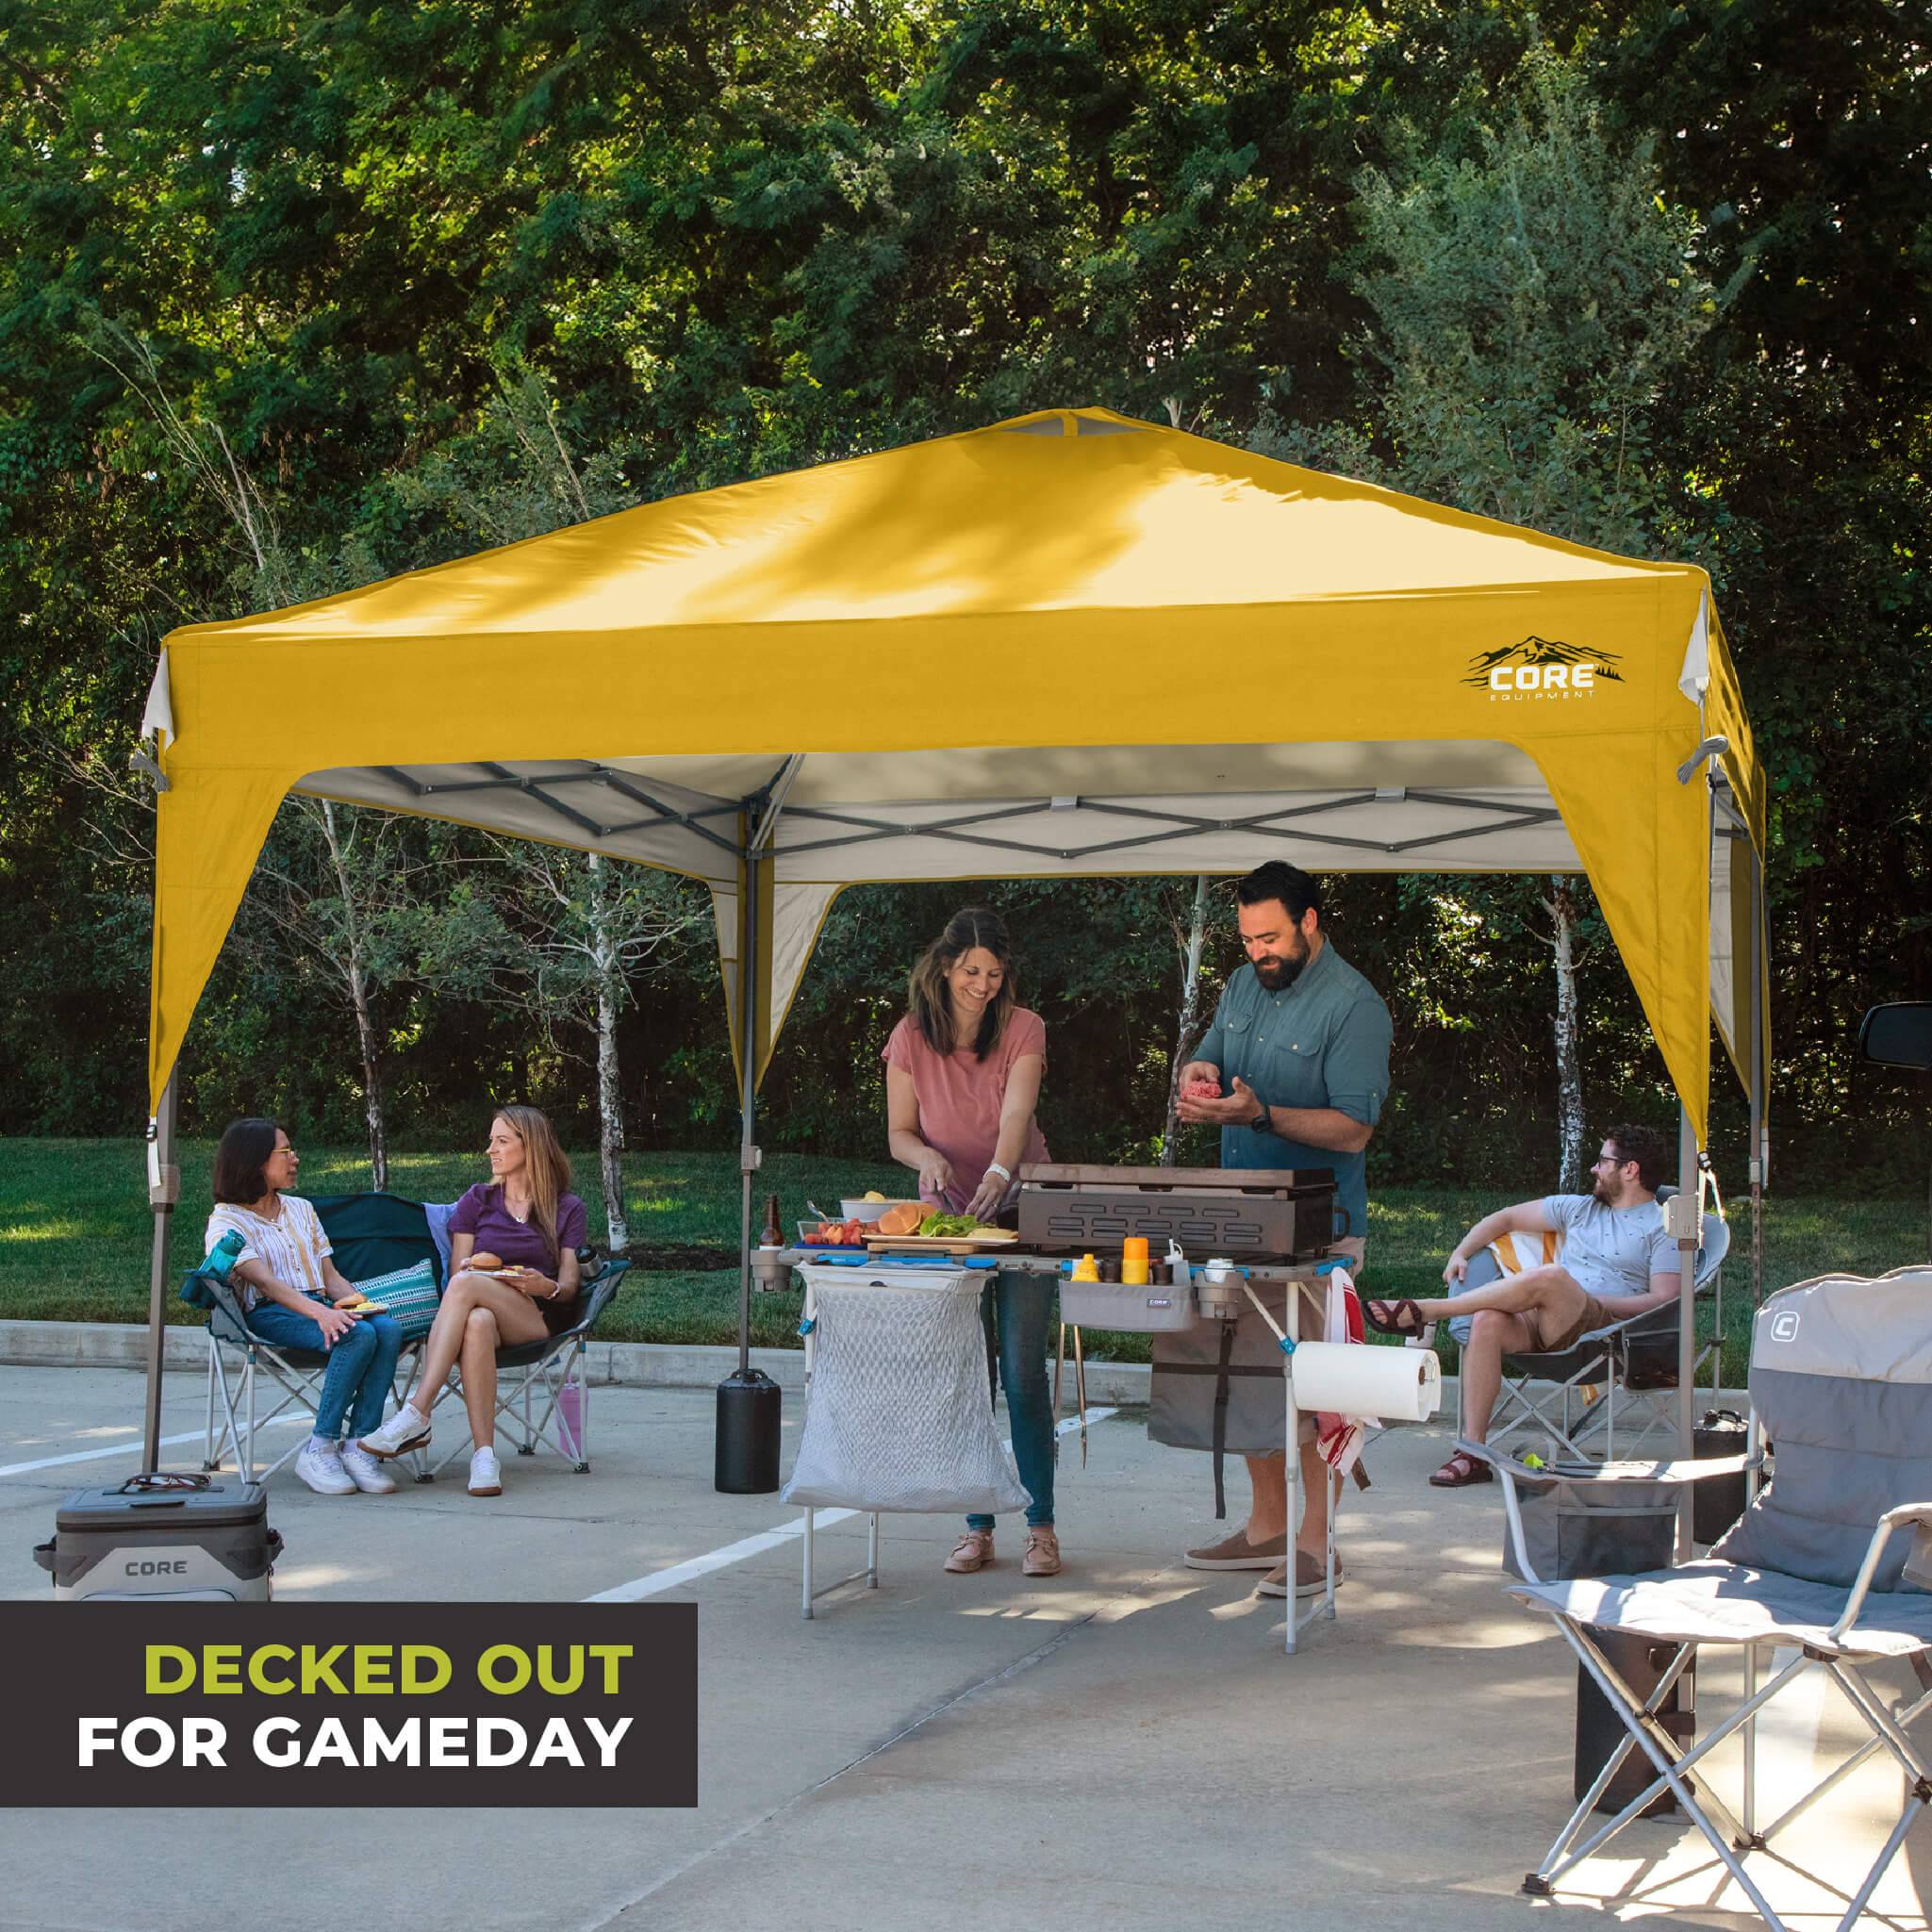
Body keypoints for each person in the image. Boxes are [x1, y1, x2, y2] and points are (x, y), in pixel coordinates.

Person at [1173, 861, 1393, 1601]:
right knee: (1243, 1382)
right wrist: (1201, 1074)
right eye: (1245, 938)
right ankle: (1266, 1527)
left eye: (1268, 937)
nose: (1256, 951)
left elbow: (1355, 1128)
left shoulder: (1354, 1005)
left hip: (1317, 1235)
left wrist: (1259, 1114)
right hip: (1237, 1223)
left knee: (1311, 1388)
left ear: (1308, 922)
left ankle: (1315, 1543)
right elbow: (1212, 1050)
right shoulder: (1242, 984)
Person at [883, 906, 1060, 1578]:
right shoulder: (908, 1036)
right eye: (969, 971)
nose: (981, 984)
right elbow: (899, 1130)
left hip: (1020, 1207)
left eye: (992, 973)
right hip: (949, 1220)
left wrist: (995, 1169)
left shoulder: (1023, 1028)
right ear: (943, 965)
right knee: (967, 1372)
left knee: (1019, 1371)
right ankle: (977, 1526)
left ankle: (1039, 1528)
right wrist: (922, 1157)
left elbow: (1015, 1113)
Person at [1364, 1123, 1682, 1487]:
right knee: (1486, 1321)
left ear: (1630, 1170)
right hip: (1547, 1321)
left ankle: (1429, 1312)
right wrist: (1460, 1252)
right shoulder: (1579, 1209)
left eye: (1602, 1161)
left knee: (1550, 1277)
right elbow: (1506, 1218)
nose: (1594, 1169)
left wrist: (1590, 1298)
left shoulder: (1662, 1227)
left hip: (1602, 1331)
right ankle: (1473, 1454)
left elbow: (1664, 1300)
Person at [359, 1105, 586, 1496]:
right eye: (491, 1141)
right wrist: (479, 1274)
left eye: (502, 1141)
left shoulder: (567, 1208)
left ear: (529, 1147)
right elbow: (457, 1271)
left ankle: (418, 1411)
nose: (490, 1150)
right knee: (477, 1319)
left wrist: (542, 1285)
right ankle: (485, 1458)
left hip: (536, 1317)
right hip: (484, 1312)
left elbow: (568, 1286)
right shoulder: (478, 1200)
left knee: (466, 1286)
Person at [206, 1118, 405, 1497]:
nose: (295, 1158)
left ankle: (361, 1446)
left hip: (316, 1305)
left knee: (386, 1329)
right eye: (286, 1151)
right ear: (255, 1162)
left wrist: (365, 1304)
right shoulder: (226, 1219)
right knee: (355, 1334)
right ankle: (320, 1446)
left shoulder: (302, 1210)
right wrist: (323, 1314)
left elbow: (331, 1279)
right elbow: (264, 1282)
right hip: (267, 1313)